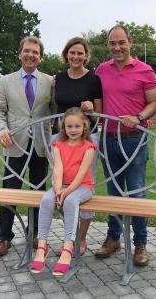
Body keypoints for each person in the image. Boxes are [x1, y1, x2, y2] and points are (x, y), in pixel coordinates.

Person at [94, 24, 156, 267]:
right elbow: (95, 100)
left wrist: (140, 117)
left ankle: (140, 243)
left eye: (121, 42)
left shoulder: (145, 70)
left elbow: (155, 104)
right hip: (109, 139)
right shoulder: (101, 70)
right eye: (112, 43)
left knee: (136, 191)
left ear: (130, 42)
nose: (117, 47)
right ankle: (113, 238)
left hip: (134, 139)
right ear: (108, 45)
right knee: (113, 191)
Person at [0, 36, 55, 256]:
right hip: (14, 145)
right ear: (19, 54)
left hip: (40, 147)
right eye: (27, 51)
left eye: (35, 52)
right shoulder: (5, 81)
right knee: (9, 192)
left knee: (39, 192)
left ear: (40, 57)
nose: (30, 55)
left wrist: (52, 141)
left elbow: (54, 114)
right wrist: (1, 130)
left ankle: (36, 233)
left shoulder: (50, 81)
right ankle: (4, 237)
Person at [30, 107, 97, 276]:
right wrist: (58, 189)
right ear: (63, 128)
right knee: (46, 200)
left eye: (77, 126)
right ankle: (41, 247)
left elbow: (82, 174)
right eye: (69, 126)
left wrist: (66, 193)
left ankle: (68, 248)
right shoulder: (58, 145)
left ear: (84, 127)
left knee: (71, 201)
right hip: (62, 186)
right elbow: (58, 168)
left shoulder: (89, 147)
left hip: (82, 187)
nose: (73, 130)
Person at [53, 37, 102, 257]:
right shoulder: (58, 79)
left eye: (80, 53)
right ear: (66, 55)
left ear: (86, 56)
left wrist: (91, 108)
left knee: (84, 185)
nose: (76, 57)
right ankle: (68, 240)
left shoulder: (94, 79)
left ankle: (81, 239)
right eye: (72, 53)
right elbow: (51, 106)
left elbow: (99, 115)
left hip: (86, 141)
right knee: (61, 184)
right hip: (61, 139)